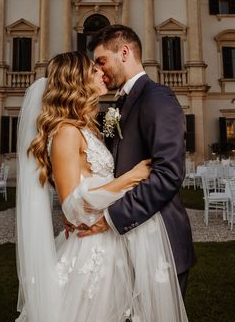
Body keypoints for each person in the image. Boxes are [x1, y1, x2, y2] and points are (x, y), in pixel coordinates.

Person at [15, 52, 187, 322]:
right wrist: (132, 177)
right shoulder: (66, 132)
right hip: (92, 247)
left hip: (112, 240)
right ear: (78, 80)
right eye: (94, 70)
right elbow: (72, 207)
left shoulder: (86, 127)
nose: (101, 73)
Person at [85, 25, 196, 298]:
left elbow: (168, 173)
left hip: (161, 242)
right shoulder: (123, 102)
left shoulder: (157, 98)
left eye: (102, 61)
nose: (100, 71)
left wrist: (112, 217)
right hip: (132, 243)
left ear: (124, 52)